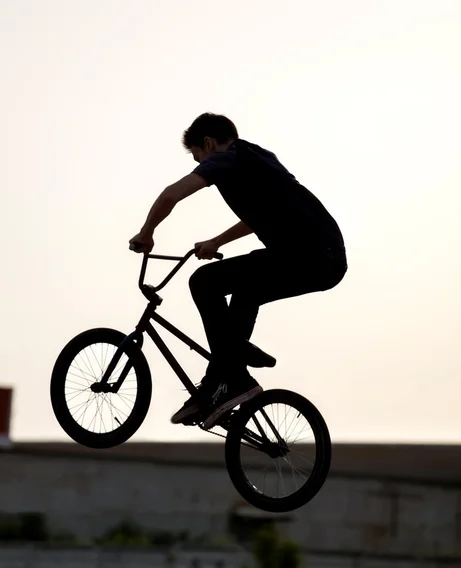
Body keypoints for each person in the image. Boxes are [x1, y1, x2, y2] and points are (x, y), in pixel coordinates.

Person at [129, 113, 347, 430]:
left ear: (207, 143)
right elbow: (262, 214)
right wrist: (217, 240)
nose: (199, 163)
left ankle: (234, 376)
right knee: (247, 289)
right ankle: (221, 379)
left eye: (197, 156)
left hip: (308, 255)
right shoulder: (256, 158)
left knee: (204, 281)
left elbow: (171, 194)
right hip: (322, 258)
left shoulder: (226, 160)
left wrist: (146, 232)